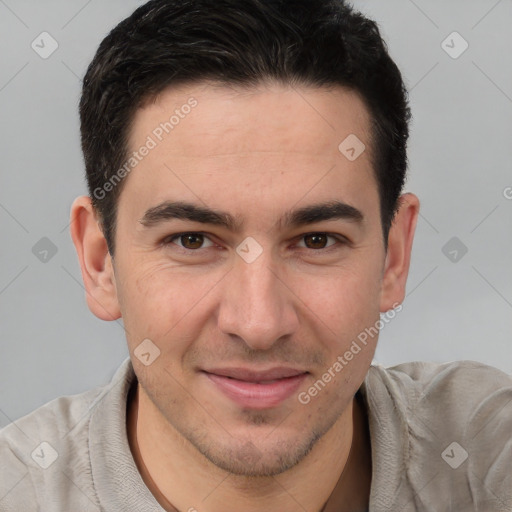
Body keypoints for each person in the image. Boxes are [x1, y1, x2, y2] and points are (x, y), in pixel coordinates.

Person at [1, 0, 511, 510]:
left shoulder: (486, 458)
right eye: (192, 240)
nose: (259, 323)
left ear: (393, 257)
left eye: (317, 240)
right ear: (99, 262)